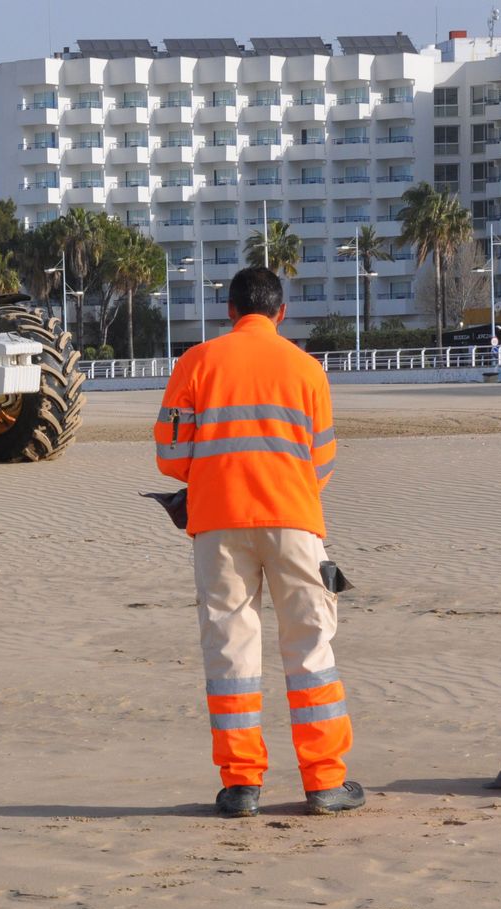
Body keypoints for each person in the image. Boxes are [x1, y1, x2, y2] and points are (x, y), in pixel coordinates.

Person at [154, 266, 363, 819]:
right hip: (295, 521)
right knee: (311, 652)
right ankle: (324, 784)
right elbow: (322, 461)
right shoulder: (307, 368)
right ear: (281, 313)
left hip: (218, 525)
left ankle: (242, 785)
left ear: (230, 311)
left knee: (231, 654)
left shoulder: (195, 362)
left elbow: (171, 458)